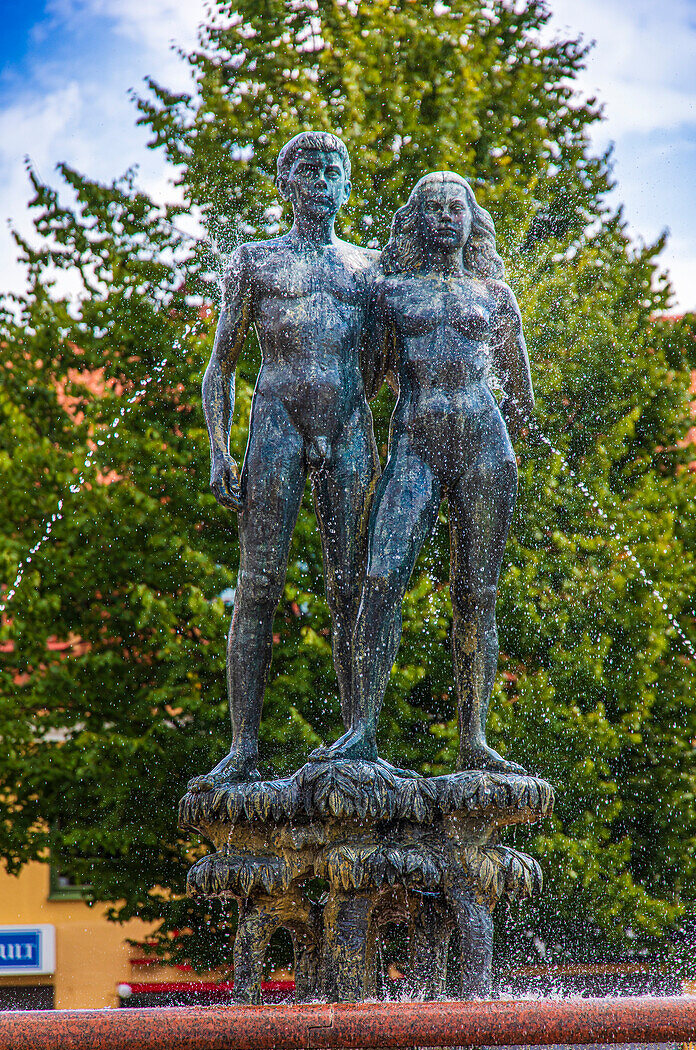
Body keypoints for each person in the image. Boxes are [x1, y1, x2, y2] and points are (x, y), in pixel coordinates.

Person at [319, 172, 534, 774]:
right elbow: (363, 381)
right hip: (414, 446)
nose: (444, 216)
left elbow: (520, 392)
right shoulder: (390, 294)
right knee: (382, 577)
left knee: (478, 595)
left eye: (454, 207)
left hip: (484, 448)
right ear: (417, 219)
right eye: (432, 207)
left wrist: (512, 431)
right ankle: (361, 729)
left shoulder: (494, 295)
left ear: (471, 220)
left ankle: (475, 739)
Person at [193, 132, 379, 788]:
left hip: (349, 425)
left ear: (347, 184)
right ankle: (243, 746)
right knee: (258, 583)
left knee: (353, 585)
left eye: (335, 168)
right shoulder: (254, 261)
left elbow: (387, 355)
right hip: (273, 422)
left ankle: (360, 734)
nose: (322, 178)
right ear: (285, 182)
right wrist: (219, 447)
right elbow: (221, 366)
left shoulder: (371, 266)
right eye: (308, 167)